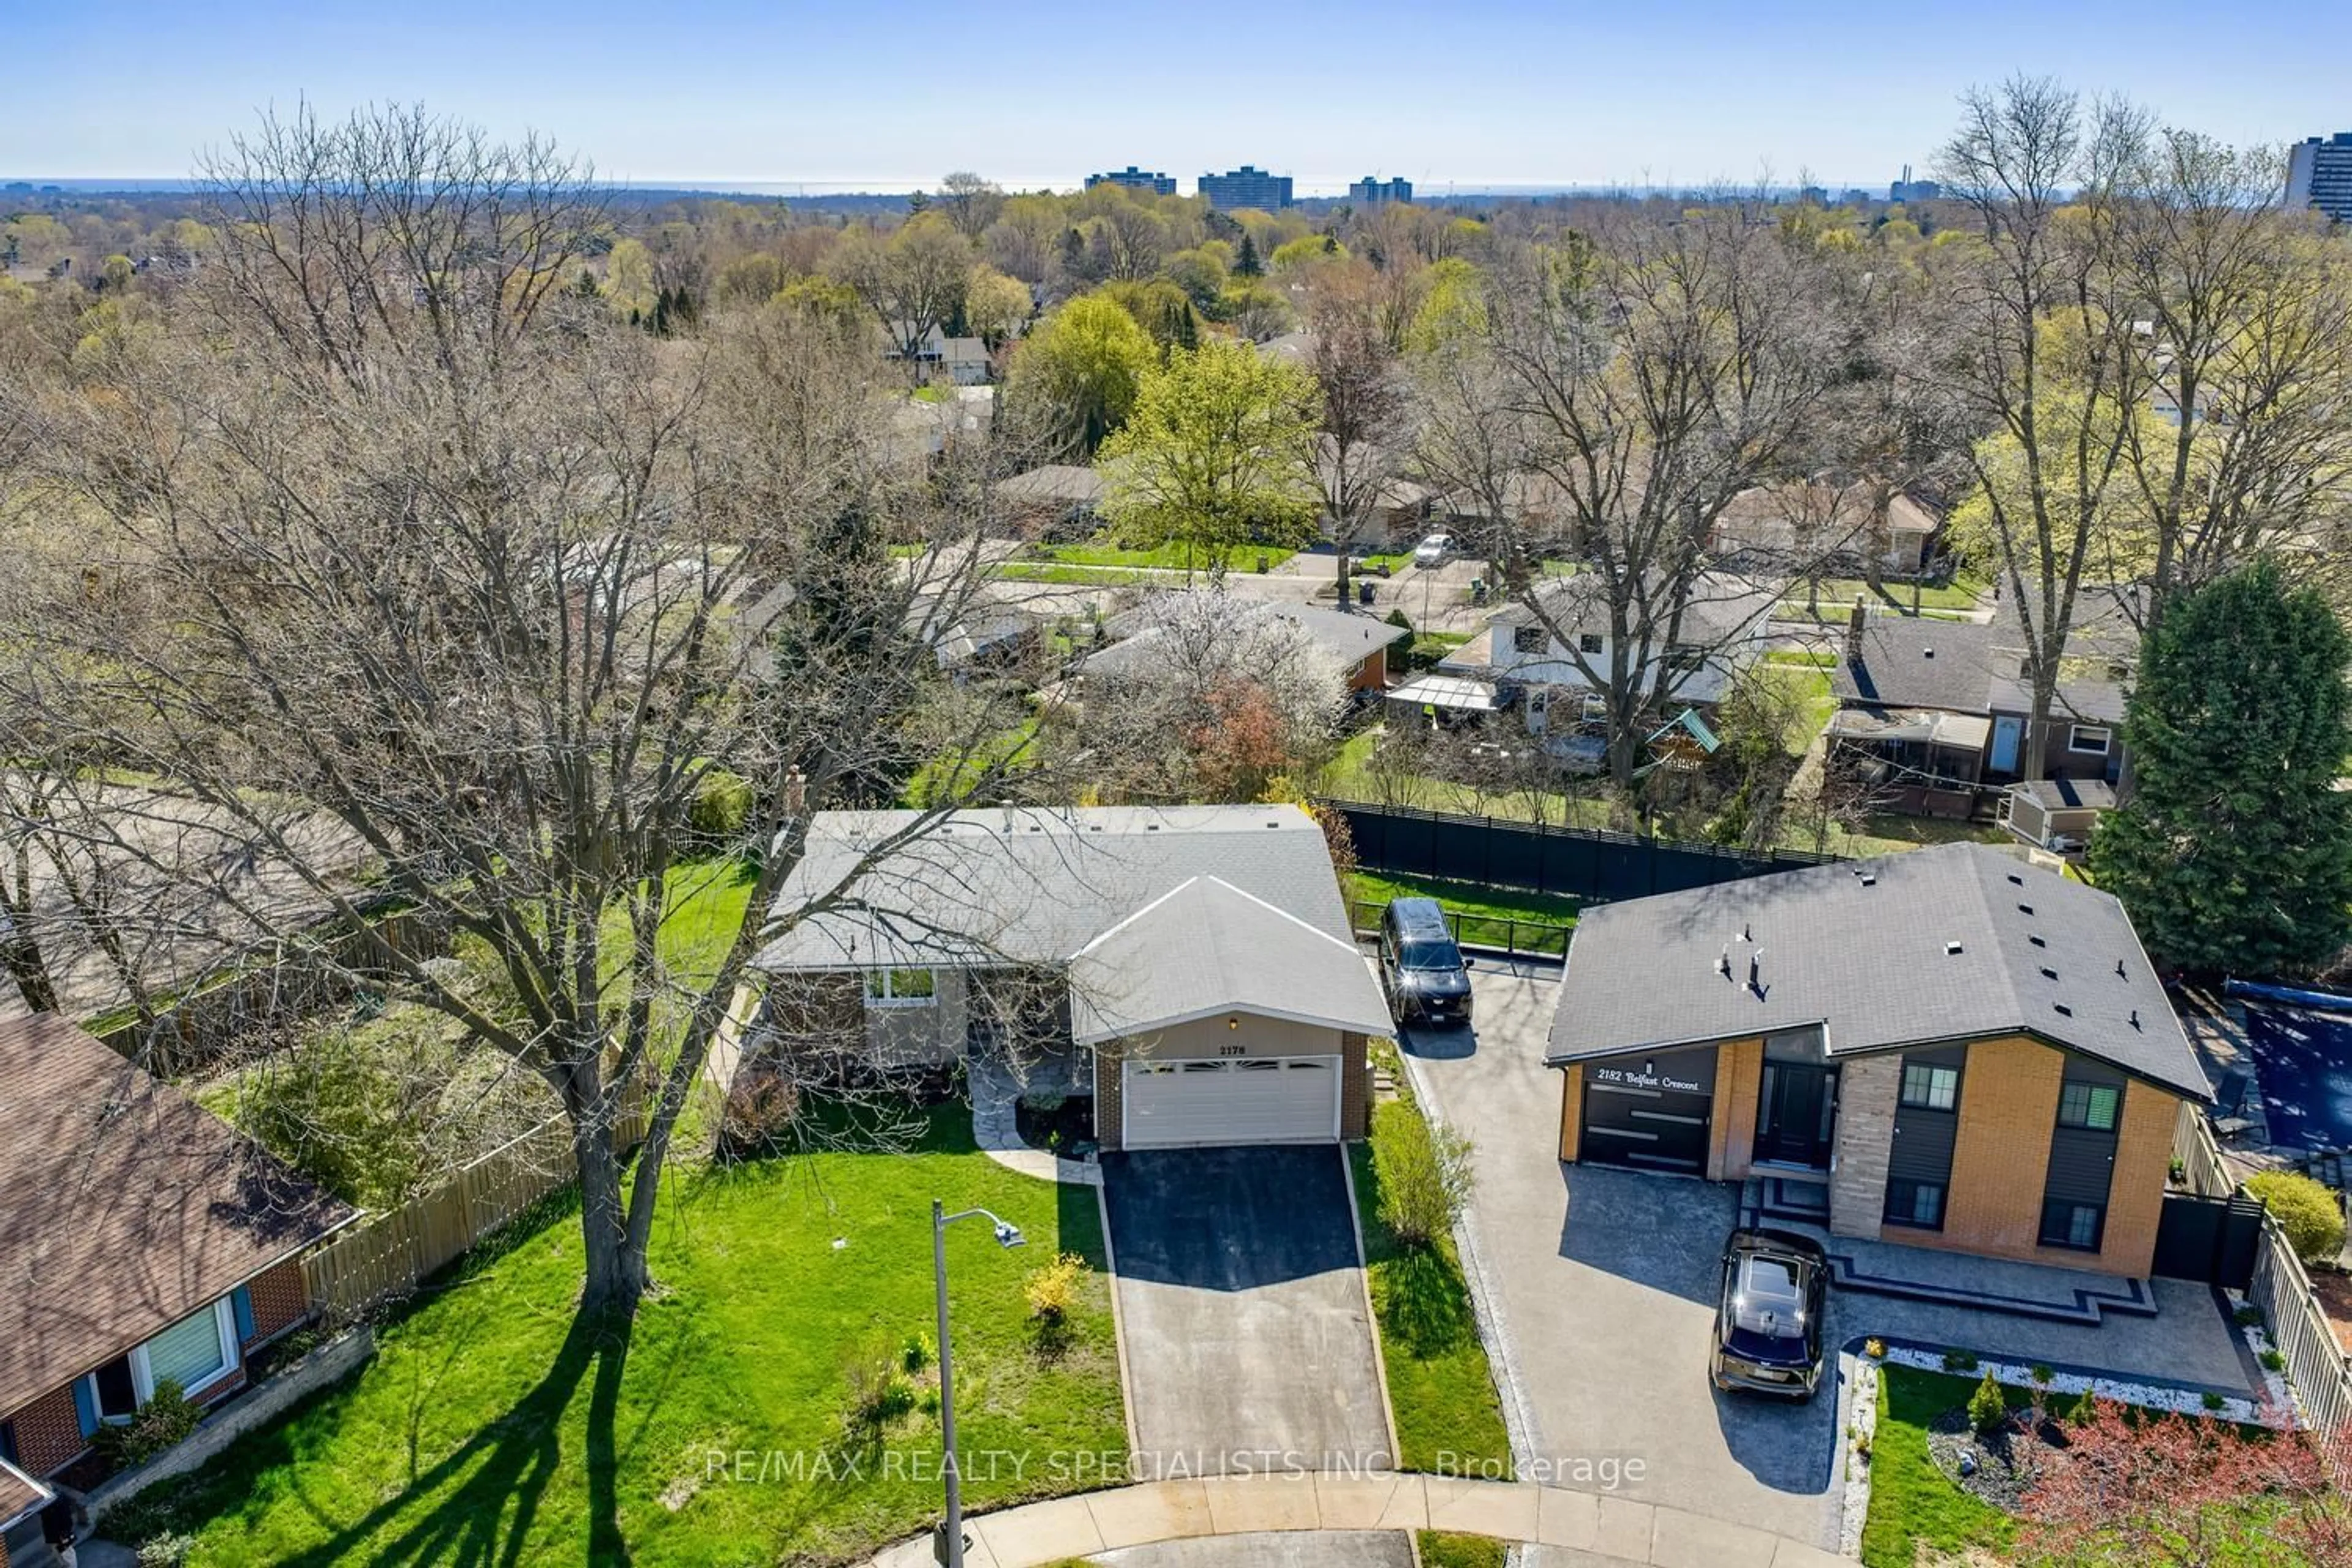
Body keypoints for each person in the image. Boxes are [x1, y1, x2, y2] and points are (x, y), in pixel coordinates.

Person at [40, 1493, 81, 1567]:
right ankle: (65, 1565)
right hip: (58, 1533)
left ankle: (68, 1565)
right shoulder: (60, 1500)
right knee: (65, 1553)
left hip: (58, 1534)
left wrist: (63, 1532)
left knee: (66, 1554)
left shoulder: (54, 1505)